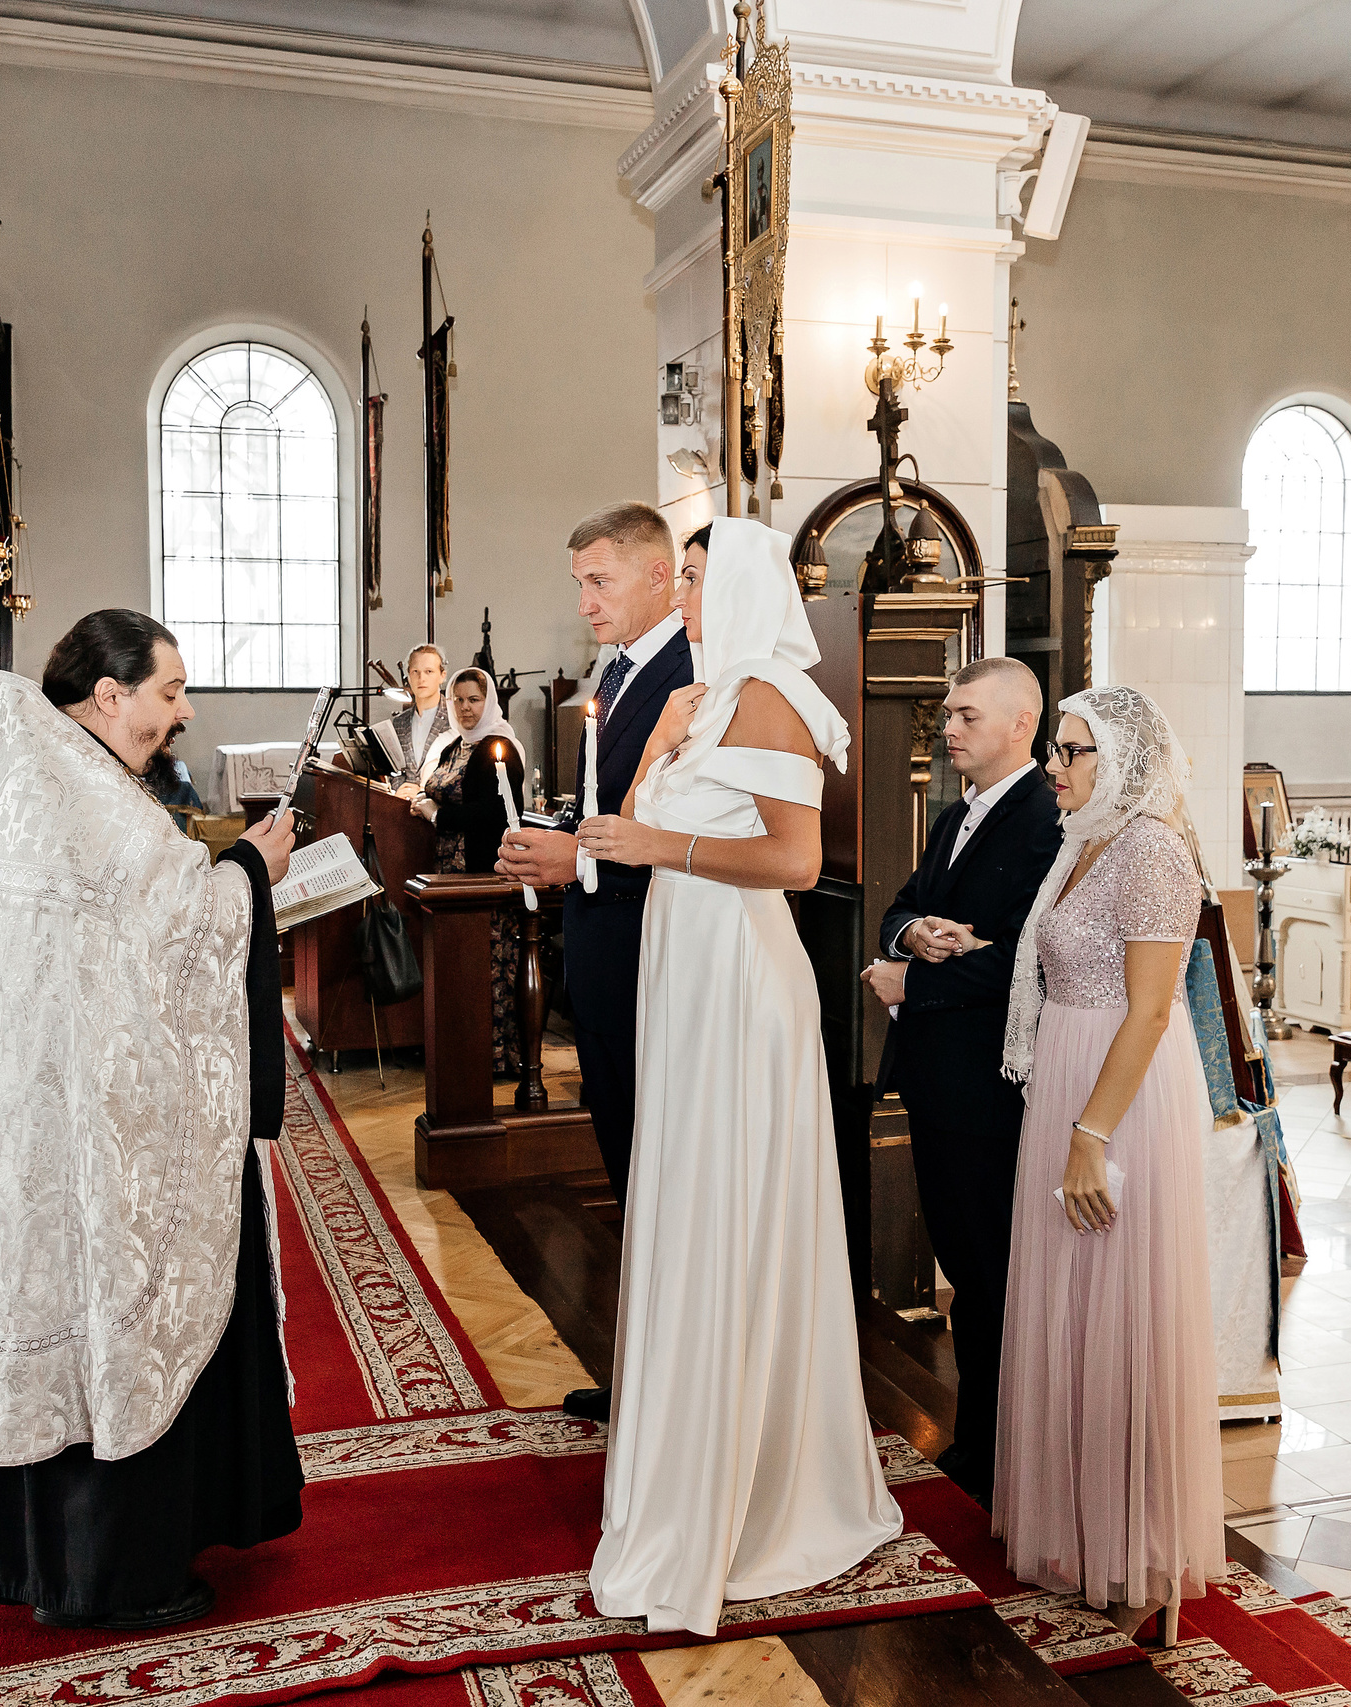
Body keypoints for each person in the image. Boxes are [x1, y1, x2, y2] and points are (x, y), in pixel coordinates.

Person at [575, 516, 899, 1637]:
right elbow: (627, 825)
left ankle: (761, 1484)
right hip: (685, 971)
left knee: (733, 1212)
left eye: (698, 579)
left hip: (742, 981)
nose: (685, 597)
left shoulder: (769, 696)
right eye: (682, 579)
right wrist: (655, 751)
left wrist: (659, 845)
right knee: (685, 1205)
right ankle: (688, 1452)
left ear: (748, 589)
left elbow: (797, 862)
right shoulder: (700, 699)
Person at [0, 608, 304, 1632]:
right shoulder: (83, 792)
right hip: (105, 1126)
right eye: (170, 690)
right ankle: (114, 1571)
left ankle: (60, 1560)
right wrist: (254, 872)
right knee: (120, 1303)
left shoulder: (58, 776)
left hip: (63, 1111)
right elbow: (176, 927)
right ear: (109, 695)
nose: (183, 711)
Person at [994, 683, 1223, 1648]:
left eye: (1073, 750)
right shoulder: (1081, 841)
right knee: (1075, 1312)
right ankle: (1088, 1532)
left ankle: (1149, 1557)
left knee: (1129, 1319)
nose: (1055, 765)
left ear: (1122, 759)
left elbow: (1154, 1009)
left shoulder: (1152, 849)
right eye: (1057, 748)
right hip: (1068, 1078)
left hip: (1120, 1098)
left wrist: (1091, 1132)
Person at [497, 501, 696, 1426]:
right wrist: (556, 838)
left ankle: (677, 1388)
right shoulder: (616, 672)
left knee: (666, 1173)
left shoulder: (690, 676)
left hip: (657, 952)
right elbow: (608, 804)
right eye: (579, 582)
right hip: (606, 957)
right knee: (628, 1168)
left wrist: (572, 857)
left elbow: (681, 833)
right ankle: (646, 1374)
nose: (584, 601)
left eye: (600, 580)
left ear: (660, 576)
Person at [860, 656, 1060, 1507]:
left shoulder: (1045, 820)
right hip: (938, 1080)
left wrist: (916, 983)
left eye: (966, 715)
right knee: (967, 1268)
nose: (948, 728)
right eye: (947, 713)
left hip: (990, 1086)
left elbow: (1031, 962)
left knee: (991, 1276)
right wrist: (913, 936)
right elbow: (898, 905)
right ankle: (980, 1441)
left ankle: (999, 1453)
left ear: (1021, 723)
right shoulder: (954, 814)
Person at [402, 665, 526, 1072]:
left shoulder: (499, 747)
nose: (465, 707)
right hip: (449, 876)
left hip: (483, 876)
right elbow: (439, 789)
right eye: (458, 699)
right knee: (457, 969)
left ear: (488, 702)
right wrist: (422, 801)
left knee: (488, 969)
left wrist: (437, 815)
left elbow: (495, 815)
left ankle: (495, 1058)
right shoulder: (455, 744)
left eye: (474, 699)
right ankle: (459, 1056)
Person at [385, 642, 449, 778]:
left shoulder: (456, 718)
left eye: (429, 671)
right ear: (408, 676)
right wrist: (402, 786)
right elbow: (393, 770)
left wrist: (423, 788)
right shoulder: (399, 723)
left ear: (442, 676)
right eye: (415, 672)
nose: (421, 679)